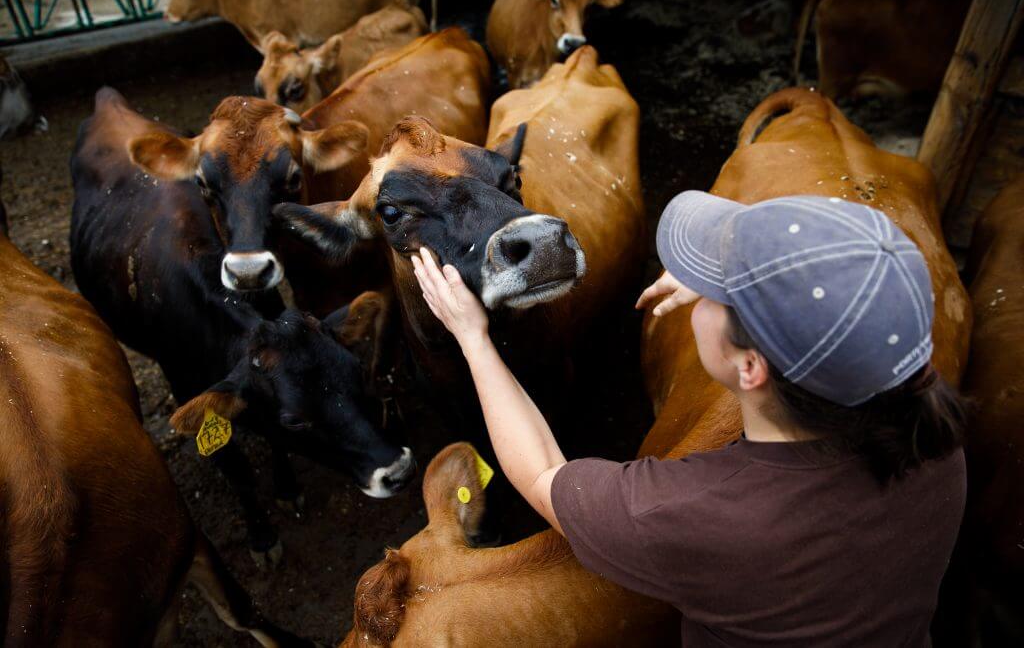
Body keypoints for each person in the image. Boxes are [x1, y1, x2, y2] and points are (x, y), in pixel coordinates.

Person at [410, 190, 967, 646]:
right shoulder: (932, 433)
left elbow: (539, 474)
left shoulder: (695, 514)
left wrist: (472, 338)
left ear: (750, 366)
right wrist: (747, 297)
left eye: (715, 293)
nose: (695, 287)